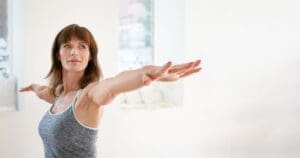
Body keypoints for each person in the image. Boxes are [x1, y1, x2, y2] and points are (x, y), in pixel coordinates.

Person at [20, 24, 202, 158]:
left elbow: (114, 84)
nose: (74, 52)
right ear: (58, 54)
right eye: (67, 46)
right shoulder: (59, 94)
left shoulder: (89, 95)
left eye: (82, 46)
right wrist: (33, 87)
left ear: (90, 56)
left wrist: (147, 73)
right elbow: (43, 91)